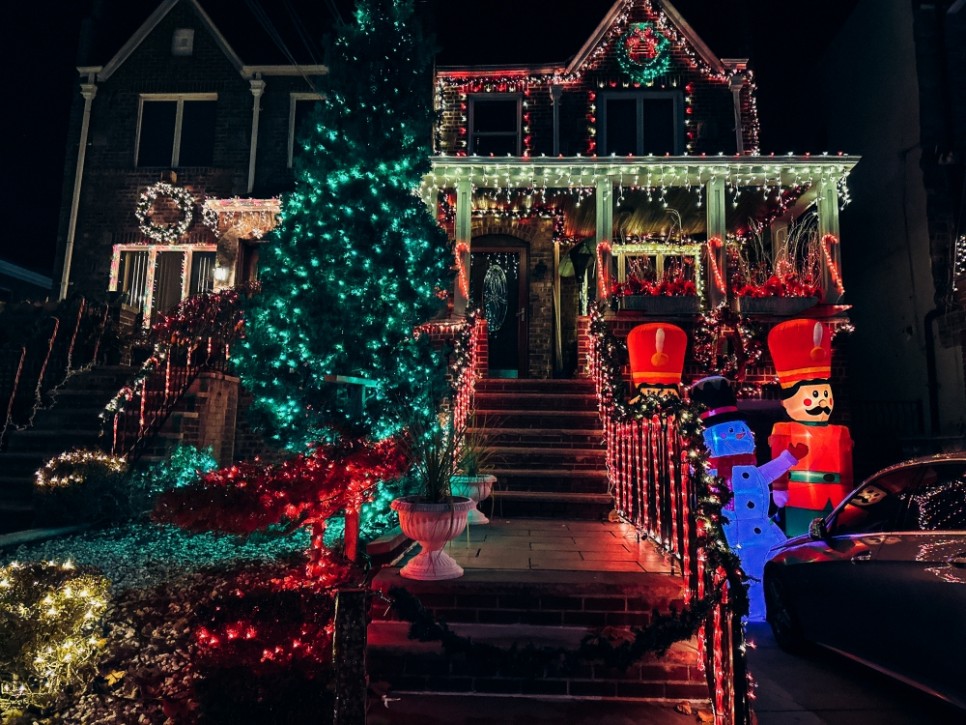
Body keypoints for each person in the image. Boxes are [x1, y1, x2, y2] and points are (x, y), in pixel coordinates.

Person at [767, 319, 854, 536]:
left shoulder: (840, 431)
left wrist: (850, 492)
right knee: (801, 538)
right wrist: (779, 487)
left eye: (825, 394)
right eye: (814, 395)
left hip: (835, 496)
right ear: (787, 403)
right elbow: (779, 461)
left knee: (834, 538)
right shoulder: (785, 429)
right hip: (801, 496)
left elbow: (847, 465)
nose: (822, 401)